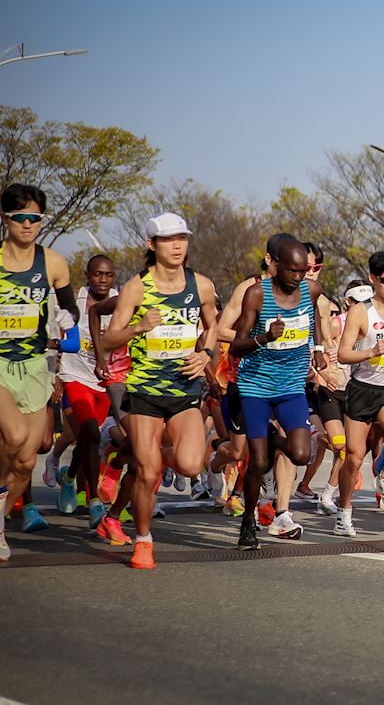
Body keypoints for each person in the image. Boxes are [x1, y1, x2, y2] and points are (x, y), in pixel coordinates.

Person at [103, 212, 220, 568]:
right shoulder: (136, 288)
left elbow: (213, 325)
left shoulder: (200, 284)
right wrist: (139, 326)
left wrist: (206, 354)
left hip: (184, 389)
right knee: (149, 471)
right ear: (151, 245)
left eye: (182, 238)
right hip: (144, 393)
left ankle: (141, 454)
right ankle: (142, 540)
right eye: (169, 240)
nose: (178, 245)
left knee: (188, 464)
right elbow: (109, 340)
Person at [228, 235, 326, 546]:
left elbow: (318, 320)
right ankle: (248, 523)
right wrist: (265, 338)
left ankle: (270, 438)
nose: (298, 277)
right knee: (258, 463)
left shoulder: (311, 290)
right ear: (275, 264)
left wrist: (320, 348)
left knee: (300, 453)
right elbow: (236, 346)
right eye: (292, 271)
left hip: (291, 385)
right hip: (256, 385)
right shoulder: (257, 295)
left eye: (304, 270)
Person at [0, 185, 78, 562]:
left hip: (35, 366)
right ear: (5, 219)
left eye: (34, 218)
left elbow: (69, 310)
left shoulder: (54, 263)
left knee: (27, 460)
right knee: (13, 436)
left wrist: (68, 321)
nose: (28, 224)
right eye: (20, 218)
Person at [333, 253, 384, 535]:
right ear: (373, 279)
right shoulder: (361, 311)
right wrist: (371, 352)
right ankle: (344, 511)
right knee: (354, 458)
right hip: (362, 390)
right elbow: (343, 354)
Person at [53, 255, 118, 528]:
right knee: (90, 431)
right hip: (74, 376)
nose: (103, 280)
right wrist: (56, 376)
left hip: (103, 381)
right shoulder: (73, 303)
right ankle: (94, 502)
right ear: (87, 276)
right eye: (97, 274)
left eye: (108, 275)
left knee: (89, 439)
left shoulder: (119, 301)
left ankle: (69, 478)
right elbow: (55, 336)